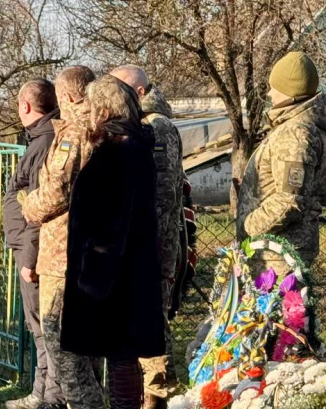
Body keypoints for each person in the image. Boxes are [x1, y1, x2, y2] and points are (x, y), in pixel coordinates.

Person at [63, 75, 164, 409]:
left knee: (121, 353)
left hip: (112, 274)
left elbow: (108, 220)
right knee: (123, 354)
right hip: (129, 268)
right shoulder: (134, 144)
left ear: (102, 110)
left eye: (90, 107)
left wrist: (91, 278)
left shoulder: (118, 150)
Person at [21, 65, 103, 409]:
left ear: (67, 97)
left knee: (65, 351)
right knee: (89, 351)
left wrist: (28, 203)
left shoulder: (75, 134)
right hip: (93, 253)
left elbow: (57, 191)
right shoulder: (104, 129)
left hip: (63, 256)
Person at [111, 65, 185, 408]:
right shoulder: (136, 126)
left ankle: (157, 397)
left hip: (152, 247)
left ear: (138, 92)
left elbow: (162, 193)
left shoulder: (157, 128)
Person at [237, 51, 326, 273]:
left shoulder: (296, 133)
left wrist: (248, 226)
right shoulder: (303, 125)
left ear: (290, 92)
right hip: (278, 249)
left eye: (275, 87)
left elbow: (289, 200)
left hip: (277, 255)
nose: (270, 93)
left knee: (277, 308)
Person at [1, 79, 64, 409]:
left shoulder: (45, 143)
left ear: (25, 106)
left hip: (36, 252)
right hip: (28, 246)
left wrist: (29, 257)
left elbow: (41, 208)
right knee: (38, 325)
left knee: (44, 327)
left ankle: (50, 396)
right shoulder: (41, 138)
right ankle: (42, 391)